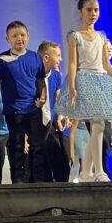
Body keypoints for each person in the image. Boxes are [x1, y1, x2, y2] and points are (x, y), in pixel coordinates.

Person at [53, 0, 112, 182]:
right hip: (84, 79)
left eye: (96, 9)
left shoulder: (101, 36)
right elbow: (73, 63)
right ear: (80, 12)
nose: (93, 13)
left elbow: (106, 63)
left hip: (101, 80)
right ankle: (99, 171)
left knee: (98, 126)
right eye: (89, 9)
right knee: (98, 124)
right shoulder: (75, 36)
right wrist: (72, 86)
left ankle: (87, 172)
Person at [0, 21, 47, 183]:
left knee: (37, 146)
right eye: (15, 36)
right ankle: (17, 179)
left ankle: (37, 179)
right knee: (16, 145)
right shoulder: (1, 59)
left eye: (22, 35)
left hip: (33, 108)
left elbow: (41, 81)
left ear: (28, 37)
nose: (19, 39)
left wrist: (43, 98)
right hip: (13, 110)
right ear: (8, 39)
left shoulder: (35, 57)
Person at [38, 40, 68, 182]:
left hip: (52, 120)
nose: (60, 59)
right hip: (38, 119)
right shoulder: (33, 75)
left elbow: (58, 97)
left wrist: (60, 116)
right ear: (46, 57)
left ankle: (61, 181)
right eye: (58, 55)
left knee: (58, 150)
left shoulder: (56, 75)